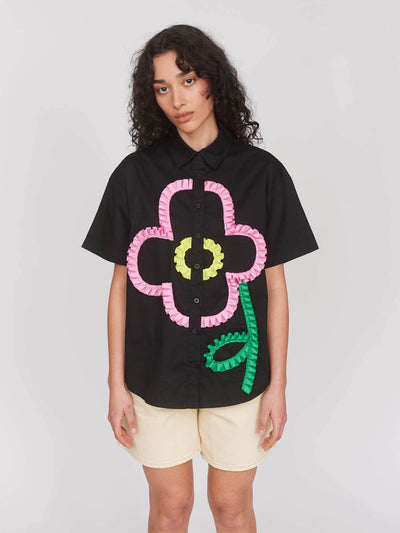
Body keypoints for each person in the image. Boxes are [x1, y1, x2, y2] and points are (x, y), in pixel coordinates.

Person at [81, 24, 319, 533]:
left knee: (231, 508)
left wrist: (278, 385)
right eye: (162, 88)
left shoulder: (263, 175)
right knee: (170, 509)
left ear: (212, 79)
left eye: (187, 80)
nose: (177, 100)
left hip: (241, 375)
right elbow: (121, 286)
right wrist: (116, 385)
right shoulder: (133, 176)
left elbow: (275, 288)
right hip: (154, 373)